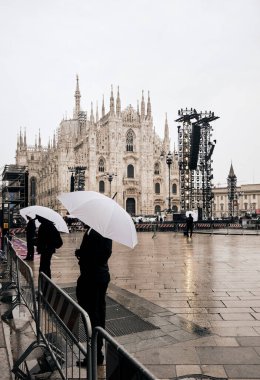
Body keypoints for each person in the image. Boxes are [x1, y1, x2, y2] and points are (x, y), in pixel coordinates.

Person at [75, 226, 112, 367]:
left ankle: (96, 354)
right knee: (94, 314)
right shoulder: (94, 230)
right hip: (92, 276)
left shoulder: (102, 231)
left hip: (94, 278)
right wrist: (81, 252)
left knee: (94, 316)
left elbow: (103, 254)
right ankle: (96, 352)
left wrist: (84, 254)